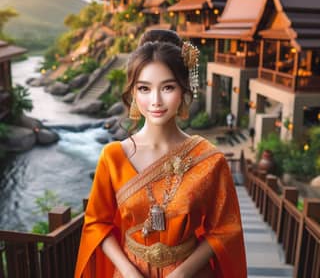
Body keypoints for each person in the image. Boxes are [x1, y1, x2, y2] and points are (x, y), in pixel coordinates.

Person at [74, 30, 246, 278]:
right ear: (133, 93)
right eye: (144, 88)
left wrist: (182, 273)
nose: (155, 100)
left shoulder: (209, 159)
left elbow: (225, 228)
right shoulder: (113, 157)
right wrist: (127, 270)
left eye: (167, 87)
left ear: (184, 91)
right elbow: (96, 224)